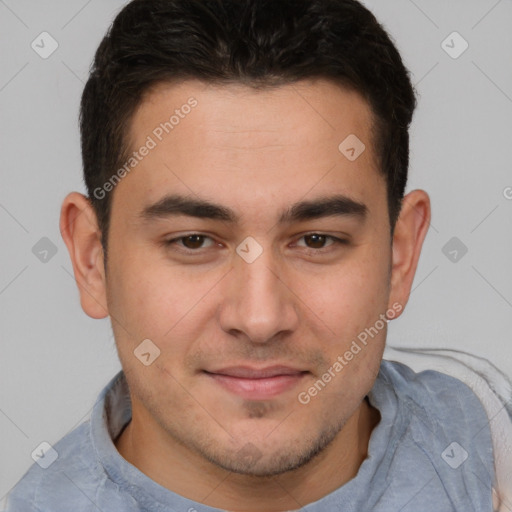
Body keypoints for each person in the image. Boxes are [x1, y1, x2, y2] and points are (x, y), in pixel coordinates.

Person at [5, 0, 511, 510]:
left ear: (399, 257)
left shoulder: (490, 432)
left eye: (317, 240)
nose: (261, 318)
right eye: (194, 241)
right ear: (93, 260)